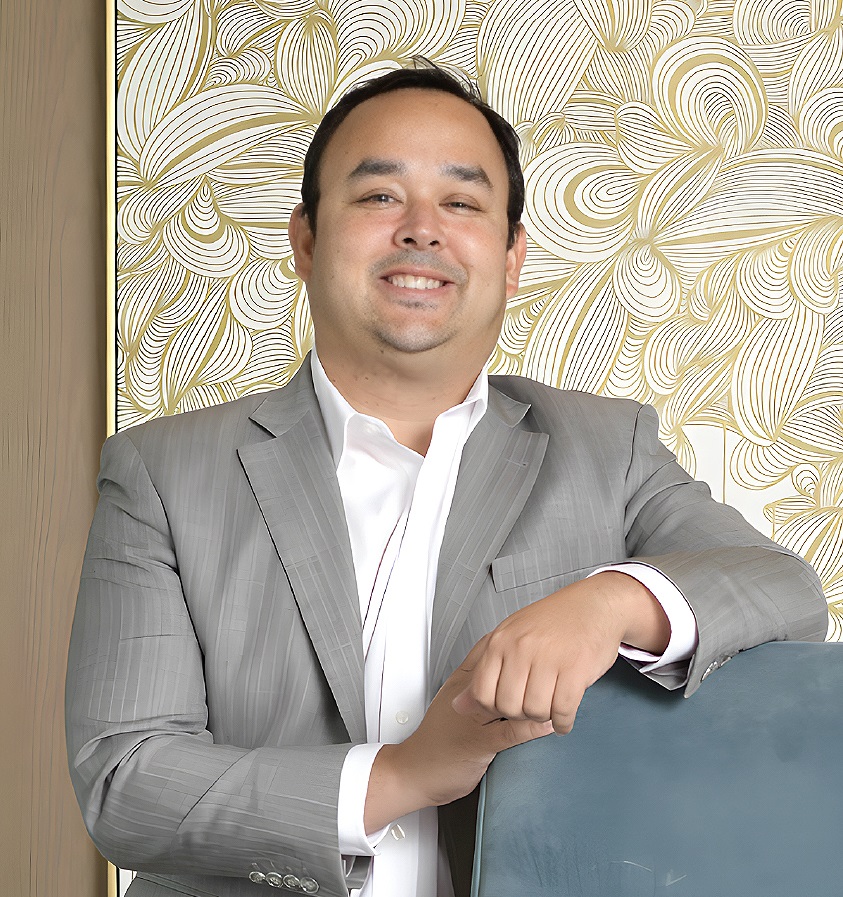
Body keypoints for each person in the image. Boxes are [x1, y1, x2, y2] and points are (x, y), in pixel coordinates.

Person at [66, 64, 827, 897]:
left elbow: (781, 588)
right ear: (306, 240)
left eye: (461, 203)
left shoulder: (606, 448)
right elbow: (124, 779)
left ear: (511, 255)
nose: (421, 230)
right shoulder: (162, 471)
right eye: (378, 195)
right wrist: (403, 773)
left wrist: (607, 602)